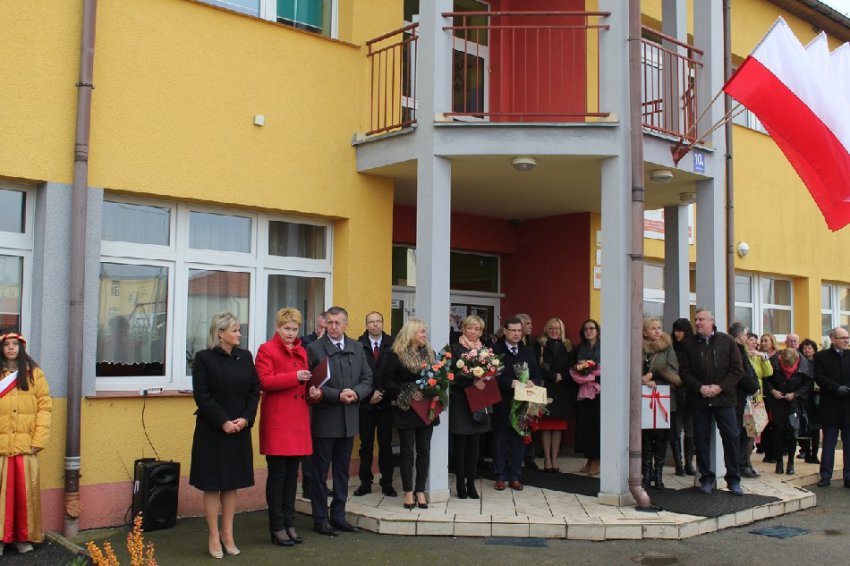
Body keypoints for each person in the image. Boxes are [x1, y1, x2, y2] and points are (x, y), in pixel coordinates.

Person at [190, 313, 260, 558]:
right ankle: (213, 535)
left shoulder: (245, 357)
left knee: (232, 483)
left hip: (239, 429)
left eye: (239, 330)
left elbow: (254, 390)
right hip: (213, 430)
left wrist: (246, 418)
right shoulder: (204, 358)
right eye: (235, 330)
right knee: (212, 484)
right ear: (220, 333)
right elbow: (202, 395)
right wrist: (223, 422)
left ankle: (227, 533)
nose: (239, 334)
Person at [255, 308, 319, 548]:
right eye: (287, 328)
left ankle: (290, 523)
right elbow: (264, 381)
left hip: (298, 420)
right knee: (278, 475)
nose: (291, 333)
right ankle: (277, 526)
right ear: (278, 327)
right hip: (278, 420)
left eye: (294, 329)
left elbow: (304, 384)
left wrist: (313, 392)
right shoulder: (266, 349)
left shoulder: (302, 350)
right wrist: (295, 376)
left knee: (293, 476)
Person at [306, 306, 372, 536]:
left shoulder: (356, 347)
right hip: (325, 421)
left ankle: (339, 516)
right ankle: (320, 519)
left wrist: (357, 393)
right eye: (330, 323)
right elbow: (311, 385)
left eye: (337, 323)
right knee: (320, 473)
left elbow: (367, 377)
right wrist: (336, 395)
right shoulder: (314, 349)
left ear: (346, 324)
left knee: (342, 472)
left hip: (348, 420)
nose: (333, 327)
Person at [678, 308, 745, 495]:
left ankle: (733, 480)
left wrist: (720, 387)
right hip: (700, 399)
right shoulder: (689, 344)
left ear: (711, 321)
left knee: (731, 437)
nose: (698, 323)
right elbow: (684, 372)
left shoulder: (727, 341)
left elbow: (737, 370)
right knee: (701, 440)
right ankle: (706, 478)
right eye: (696, 319)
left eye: (701, 319)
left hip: (725, 399)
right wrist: (699, 387)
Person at [0, 332, 51, 557]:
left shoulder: (34, 374)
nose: (11, 348)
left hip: (25, 447)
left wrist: (39, 440)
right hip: (1, 447)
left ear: (21, 347)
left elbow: (45, 407)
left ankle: (22, 537)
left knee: (24, 497)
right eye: (6, 344)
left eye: (15, 344)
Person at [382, 319, 438, 509]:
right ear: (411, 333)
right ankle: (408, 490)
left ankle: (420, 490)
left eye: (424, 332)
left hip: (426, 408)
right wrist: (408, 392)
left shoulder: (430, 353)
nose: (424, 335)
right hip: (406, 408)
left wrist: (434, 390)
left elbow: (438, 377)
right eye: (421, 331)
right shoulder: (396, 354)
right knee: (406, 451)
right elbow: (387, 381)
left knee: (424, 450)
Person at [492, 317, 541, 490]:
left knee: (518, 440)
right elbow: (492, 376)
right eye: (513, 330)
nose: (516, 334)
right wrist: (510, 383)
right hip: (502, 402)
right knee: (500, 440)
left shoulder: (528, 351)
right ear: (505, 331)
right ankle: (500, 476)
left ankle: (514, 476)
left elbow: (537, 374)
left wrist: (533, 382)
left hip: (522, 404)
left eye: (519, 330)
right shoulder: (495, 350)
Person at [449, 315, 492, 499]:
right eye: (469, 328)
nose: (473, 332)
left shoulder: (485, 351)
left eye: (477, 329)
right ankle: (460, 483)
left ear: (481, 332)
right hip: (461, 401)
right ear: (463, 329)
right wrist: (471, 380)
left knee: (475, 445)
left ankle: (471, 483)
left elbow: (492, 372)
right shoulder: (454, 348)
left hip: (479, 401)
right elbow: (451, 375)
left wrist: (487, 376)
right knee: (461, 445)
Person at [355, 311, 397, 497]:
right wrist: (370, 394)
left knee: (386, 444)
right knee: (366, 445)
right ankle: (365, 483)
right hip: (365, 404)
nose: (375, 325)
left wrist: (382, 393)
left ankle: (387, 482)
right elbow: (357, 374)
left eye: (378, 321)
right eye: (371, 322)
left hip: (386, 404)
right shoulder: (358, 345)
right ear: (366, 325)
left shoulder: (393, 344)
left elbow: (394, 373)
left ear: (383, 323)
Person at [640, 317, 681, 489]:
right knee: (645, 438)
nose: (658, 331)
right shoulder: (639, 348)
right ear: (645, 332)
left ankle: (658, 475)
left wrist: (654, 377)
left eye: (659, 327)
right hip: (643, 399)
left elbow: (673, 373)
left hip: (663, 399)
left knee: (661, 438)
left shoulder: (668, 348)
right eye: (653, 328)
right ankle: (646, 473)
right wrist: (643, 379)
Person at [533, 317, 575, 473]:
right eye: (551, 328)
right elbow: (537, 367)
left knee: (558, 427)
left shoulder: (568, 346)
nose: (554, 331)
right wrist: (553, 376)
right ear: (546, 329)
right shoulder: (540, 345)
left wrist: (562, 376)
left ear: (562, 330)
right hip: (547, 388)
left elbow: (573, 367)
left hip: (563, 390)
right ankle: (547, 460)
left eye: (557, 328)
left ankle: (555, 459)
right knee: (546, 426)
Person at [763, 348, 812, 475]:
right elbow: (766, 379)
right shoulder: (773, 362)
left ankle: (791, 462)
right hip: (778, 400)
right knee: (778, 429)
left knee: (792, 431)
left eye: (790, 366)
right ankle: (779, 461)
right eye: (785, 365)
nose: (787, 368)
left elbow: (808, 384)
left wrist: (796, 394)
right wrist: (773, 391)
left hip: (794, 401)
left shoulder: (804, 364)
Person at [814, 327, 850, 488]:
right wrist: (836, 388)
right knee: (828, 443)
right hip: (830, 406)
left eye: (848, 338)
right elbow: (819, 377)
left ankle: (848, 477)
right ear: (833, 339)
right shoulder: (821, 356)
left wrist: (847, 388)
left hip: (848, 405)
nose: (847, 340)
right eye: (843, 338)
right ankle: (825, 476)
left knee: (849, 444)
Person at [728, 323, 763, 479]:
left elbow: (750, 371)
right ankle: (739, 465)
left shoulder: (740, 349)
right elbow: (741, 373)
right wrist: (754, 387)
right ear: (740, 336)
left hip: (745, 398)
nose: (747, 337)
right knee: (741, 434)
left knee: (747, 433)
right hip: (738, 398)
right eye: (746, 334)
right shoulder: (734, 349)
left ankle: (744, 464)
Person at [573, 319, 602, 476]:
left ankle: (597, 460)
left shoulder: (603, 347)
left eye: (592, 328)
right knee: (586, 426)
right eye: (586, 329)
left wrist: (593, 376)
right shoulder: (581, 348)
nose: (589, 331)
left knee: (596, 426)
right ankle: (589, 459)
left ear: (597, 331)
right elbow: (577, 367)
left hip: (599, 391)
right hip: (585, 391)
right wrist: (582, 374)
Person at [670, 318, 695, 476]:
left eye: (680, 330)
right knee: (676, 429)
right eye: (675, 330)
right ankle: (678, 464)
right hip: (676, 392)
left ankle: (689, 463)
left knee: (690, 430)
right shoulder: (671, 348)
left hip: (691, 392)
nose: (677, 334)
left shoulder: (693, 347)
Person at [515, 313, 539, 470]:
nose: (531, 326)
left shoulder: (532, 343)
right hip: (514, 392)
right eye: (528, 323)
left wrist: (533, 381)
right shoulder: (506, 343)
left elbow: (536, 370)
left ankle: (529, 457)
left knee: (529, 424)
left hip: (529, 393)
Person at [798, 338, 821, 464]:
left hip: (816, 398)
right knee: (805, 427)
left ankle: (815, 454)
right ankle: (806, 452)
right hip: (803, 398)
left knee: (816, 428)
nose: (807, 350)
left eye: (809, 348)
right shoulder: (799, 362)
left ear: (814, 350)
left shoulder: (819, 363)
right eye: (805, 348)